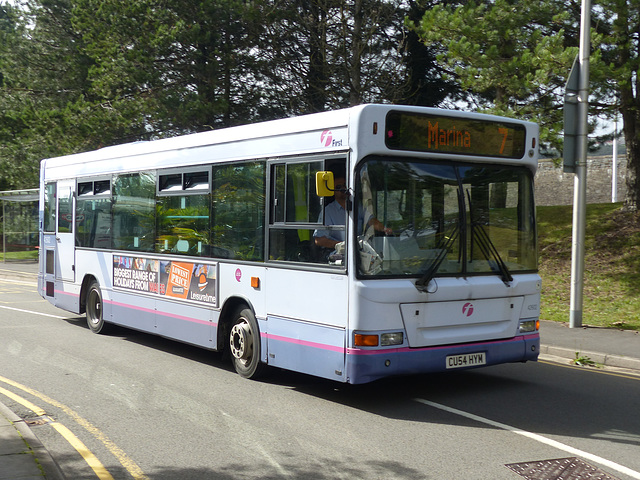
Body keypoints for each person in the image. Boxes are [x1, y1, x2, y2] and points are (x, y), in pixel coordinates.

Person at [314, 176, 392, 252]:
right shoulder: (328, 211)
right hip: (339, 254)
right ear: (333, 191)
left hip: (360, 250)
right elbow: (319, 240)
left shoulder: (357, 206)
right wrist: (341, 245)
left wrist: (384, 229)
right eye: (338, 187)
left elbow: (371, 220)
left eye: (345, 185)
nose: (343, 189)